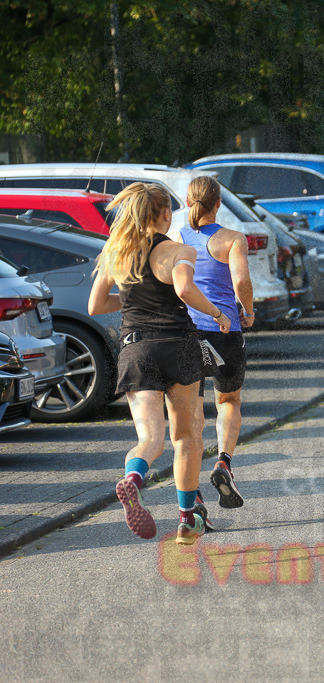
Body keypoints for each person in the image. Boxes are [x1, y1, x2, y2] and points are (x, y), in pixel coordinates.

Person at [88, 182, 230, 545]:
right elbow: (183, 290)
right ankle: (186, 519)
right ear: (165, 213)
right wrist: (216, 313)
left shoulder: (116, 253)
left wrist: (134, 300)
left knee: (150, 439)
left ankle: (134, 480)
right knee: (186, 436)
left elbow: (95, 306)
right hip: (178, 347)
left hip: (137, 349)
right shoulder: (178, 250)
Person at [177, 176, 254, 511]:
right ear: (219, 203)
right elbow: (241, 280)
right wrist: (248, 311)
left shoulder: (176, 239)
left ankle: (190, 491)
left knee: (192, 412)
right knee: (229, 400)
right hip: (224, 332)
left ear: (188, 201)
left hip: (186, 333)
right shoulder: (233, 239)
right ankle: (223, 462)